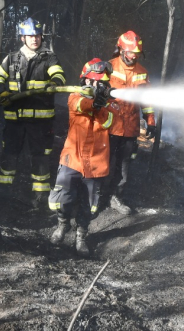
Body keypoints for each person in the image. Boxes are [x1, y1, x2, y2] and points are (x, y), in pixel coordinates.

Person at [0, 18, 66, 207]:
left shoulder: (49, 58)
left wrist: (54, 83)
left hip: (39, 121)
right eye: (31, 36)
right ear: (23, 38)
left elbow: (59, 75)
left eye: (38, 35)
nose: (35, 39)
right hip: (14, 120)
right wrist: (2, 92)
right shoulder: (12, 58)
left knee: (40, 157)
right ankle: (3, 192)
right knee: (10, 154)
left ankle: (40, 197)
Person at [48, 59, 116, 255]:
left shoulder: (110, 105)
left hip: (96, 164)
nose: (97, 85)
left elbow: (108, 123)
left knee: (89, 205)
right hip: (72, 160)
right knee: (63, 198)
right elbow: (81, 106)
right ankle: (62, 225)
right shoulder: (74, 96)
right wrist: (95, 102)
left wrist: (103, 104)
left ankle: (81, 236)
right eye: (94, 81)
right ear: (85, 81)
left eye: (101, 82)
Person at [105, 30, 155, 214]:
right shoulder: (108, 67)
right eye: (130, 53)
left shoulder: (142, 73)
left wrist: (150, 120)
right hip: (108, 127)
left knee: (123, 166)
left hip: (130, 128)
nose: (133, 56)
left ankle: (116, 197)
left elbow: (146, 99)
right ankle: (95, 197)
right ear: (120, 50)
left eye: (136, 54)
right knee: (102, 163)